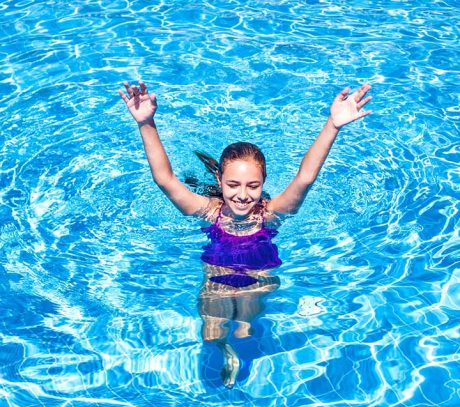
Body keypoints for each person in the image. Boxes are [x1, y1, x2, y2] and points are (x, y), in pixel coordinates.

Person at [119, 81, 372, 387]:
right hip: (216, 278)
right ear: (219, 180)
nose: (242, 195)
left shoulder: (270, 214)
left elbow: (305, 178)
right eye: (233, 185)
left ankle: (242, 358)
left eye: (253, 186)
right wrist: (146, 123)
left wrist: (333, 125)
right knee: (210, 332)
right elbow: (165, 179)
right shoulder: (209, 211)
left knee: (245, 329)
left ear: (263, 181)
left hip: (258, 279)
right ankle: (222, 358)